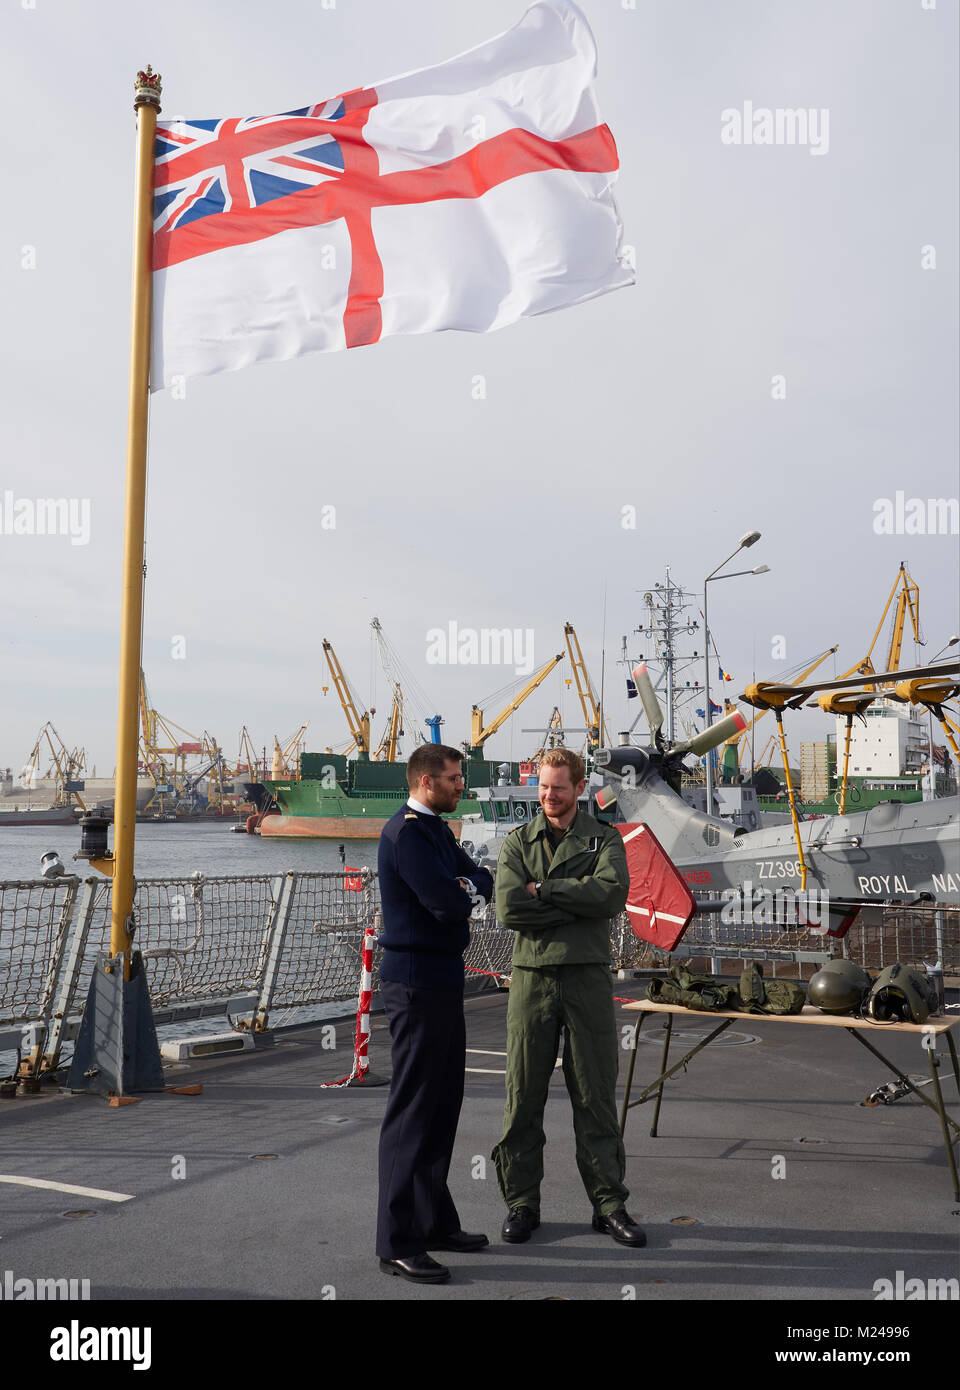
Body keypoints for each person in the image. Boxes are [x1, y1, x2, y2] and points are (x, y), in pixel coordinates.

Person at [490, 747, 645, 1247]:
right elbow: (510, 910)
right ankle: (521, 1203)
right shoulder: (517, 842)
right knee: (522, 1095)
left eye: (558, 787)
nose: (548, 796)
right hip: (531, 979)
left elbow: (611, 896)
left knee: (595, 1094)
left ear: (580, 788)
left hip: (586, 978)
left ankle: (609, 1204)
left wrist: (544, 891)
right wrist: (572, 898)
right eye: (542, 787)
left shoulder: (604, 839)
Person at [375, 744, 494, 1283]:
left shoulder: (439, 834)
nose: (459, 787)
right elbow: (446, 904)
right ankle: (397, 1242)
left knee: (444, 1106)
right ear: (426, 781)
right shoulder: (403, 835)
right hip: (415, 984)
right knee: (413, 1113)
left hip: (443, 980)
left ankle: (434, 1222)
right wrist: (464, 891)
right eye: (453, 779)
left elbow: (479, 884)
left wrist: (464, 888)